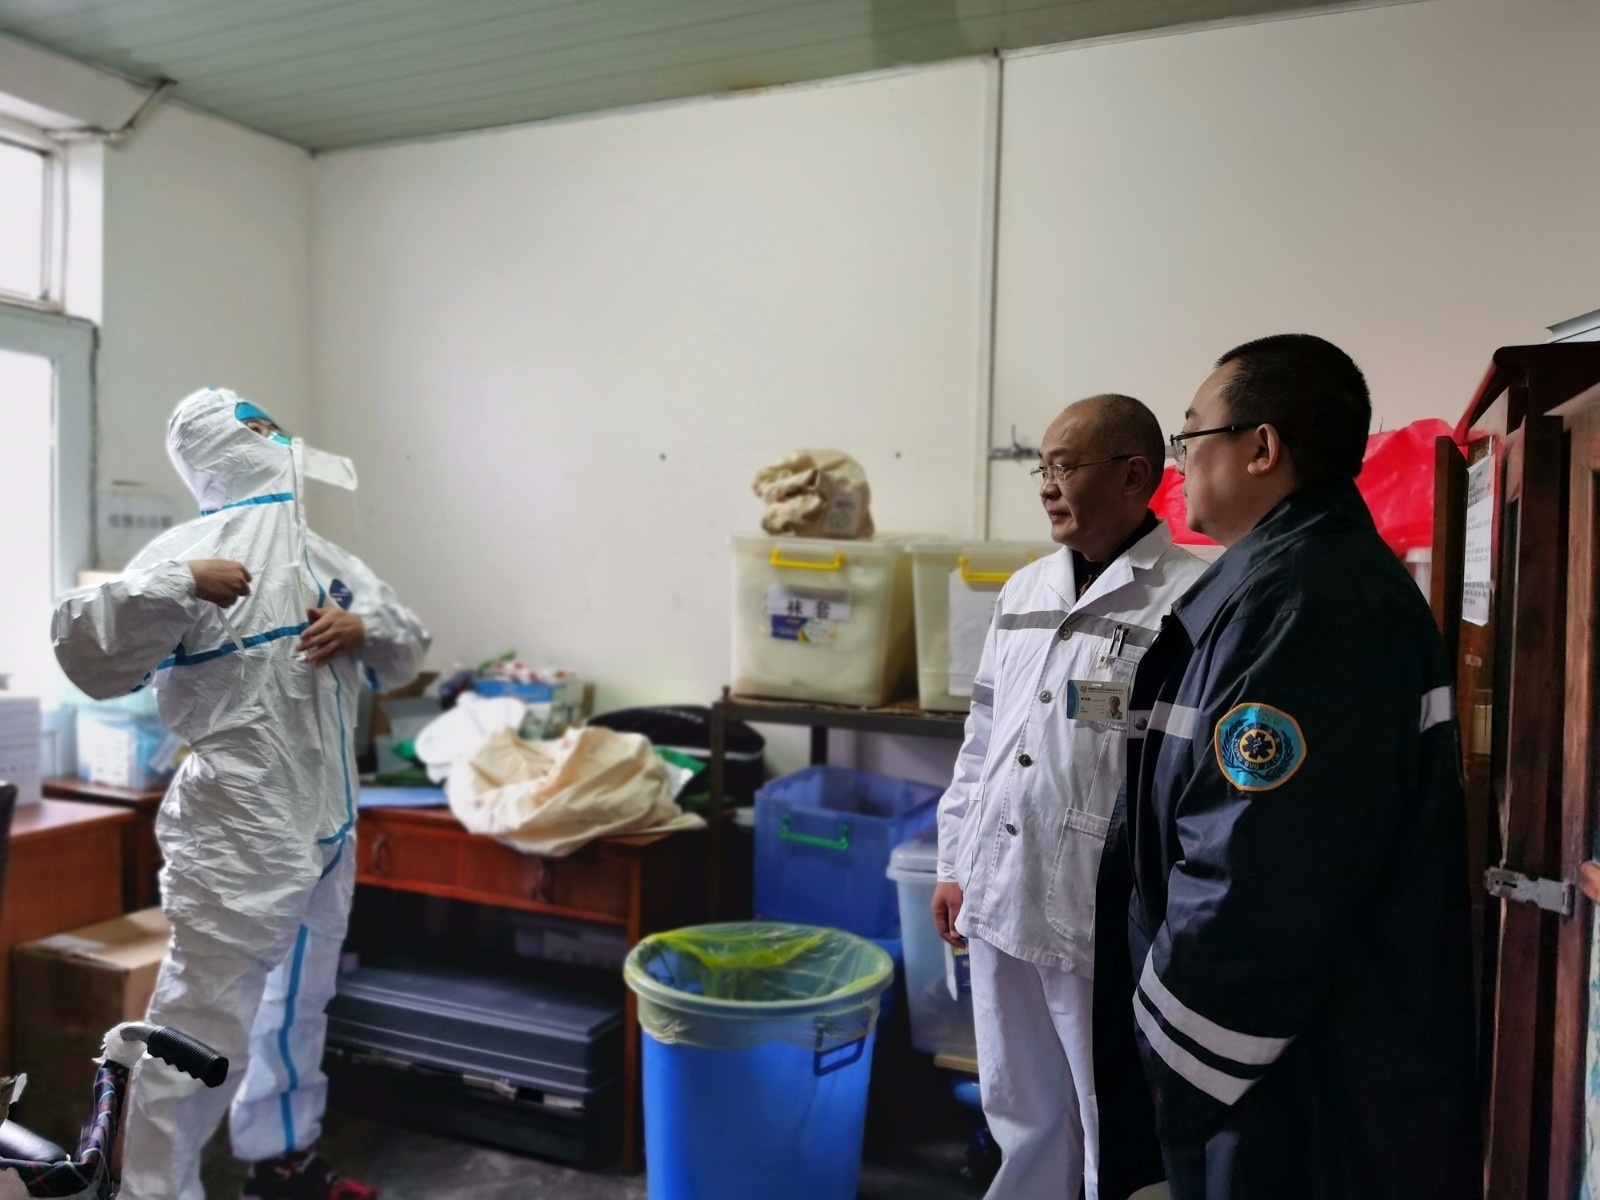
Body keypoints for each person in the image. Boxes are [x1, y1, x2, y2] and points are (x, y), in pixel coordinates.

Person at [1092, 335, 1479, 1199]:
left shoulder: (1308, 603)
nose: (1179, 463)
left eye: (1191, 436)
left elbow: (1256, 875)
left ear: (1262, 447)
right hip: (1273, 1064)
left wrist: (1170, 1057)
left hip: (1293, 1081)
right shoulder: (1279, 582)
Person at [53, 389, 431, 1200]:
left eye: (271, 425)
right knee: (198, 1026)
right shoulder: (185, 553)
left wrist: (363, 629)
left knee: (301, 1004)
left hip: (328, 821)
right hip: (237, 831)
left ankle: (283, 1160)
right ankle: (152, 1192)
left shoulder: (325, 559)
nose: (277, 439)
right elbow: (84, 649)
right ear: (214, 449)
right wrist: (179, 584)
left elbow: (409, 643)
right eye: (255, 428)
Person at [932, 395, 1207, 1200]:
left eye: (1066, 467)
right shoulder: (1023, 590)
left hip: (1099, 900)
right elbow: (983, 738)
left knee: (1106, 1111)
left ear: (1135, 476)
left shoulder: (1190, 597)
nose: (1049, 486)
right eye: (1042, 469)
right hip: (997, 882)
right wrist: (952, 863)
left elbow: (1185, 773)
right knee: (1018, 1104)